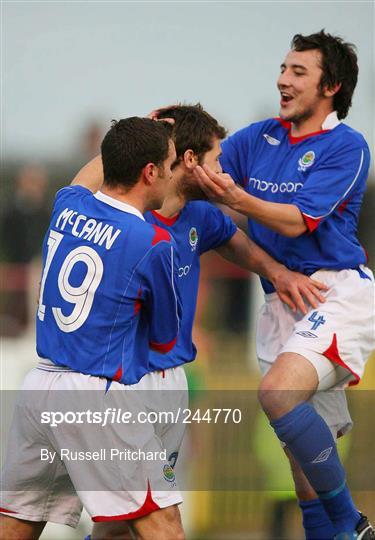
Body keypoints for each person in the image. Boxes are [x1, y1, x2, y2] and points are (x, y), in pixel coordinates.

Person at [79, 103, 329, 540]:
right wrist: (144, 131)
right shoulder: (130, 216)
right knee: (160, 522)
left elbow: (233, 242)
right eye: (216, 161)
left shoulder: (199, 216)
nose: (224, 174)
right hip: (126, 384)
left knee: (122, 523)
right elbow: (78, 188)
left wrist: (276, 272)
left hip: (171, 383)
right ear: (189, 161)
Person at [193, 31, 375, 539]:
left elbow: (297, 221)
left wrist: (238, 198)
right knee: (303, 481)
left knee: (275, 394)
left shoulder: (346, 147)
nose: (283, 79)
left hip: (334, 294)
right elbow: (208, 173)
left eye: (299, 72)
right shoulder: (258, 137)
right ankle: (334, 528)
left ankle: (351, 523)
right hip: (281, 302)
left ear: (332, 86)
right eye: (283, 68)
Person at [0, 117, 187, 540]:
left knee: (15, 525)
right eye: (170, 164)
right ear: (150, 172)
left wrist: (132, 136)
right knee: (163, 525)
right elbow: (163, 338)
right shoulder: (152, 242)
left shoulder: (67, 206)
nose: (175, 174)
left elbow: (86, 177)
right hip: (96, 395)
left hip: (39, 387)